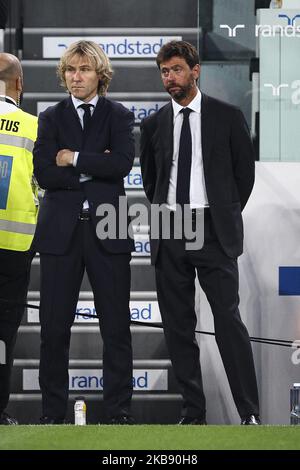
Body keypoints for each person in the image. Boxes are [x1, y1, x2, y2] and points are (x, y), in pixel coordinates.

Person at [140, 40, 260, 425]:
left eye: (175, 69)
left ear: (195, 71)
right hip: (170, 226)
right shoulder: (153, 123)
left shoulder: (227, 116)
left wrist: (220, 215)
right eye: (163, 72)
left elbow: (244, 177)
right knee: (178, 326)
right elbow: (151, 180)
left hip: (213, 229)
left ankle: (249, 413)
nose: (169, 78)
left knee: (228, 321)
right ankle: (194, 413)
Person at [33, 40, 135, 424]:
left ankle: (119, 413)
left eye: (84, 70)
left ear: (99, 74)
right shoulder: (51, 117)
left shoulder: (120, 116)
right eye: (71, 70)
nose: (76, 77)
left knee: (116, 327)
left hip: (109, 229)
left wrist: (73, 159)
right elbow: (44, 172)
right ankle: (51, 415)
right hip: (61, 233)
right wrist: (95, 167)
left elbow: (122, 164)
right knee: (53, 328)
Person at [0, 53, 38, 424]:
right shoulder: (32, 126)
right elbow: (41, 186)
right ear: (19, 85)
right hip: (14, 248)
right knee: (3, 333)